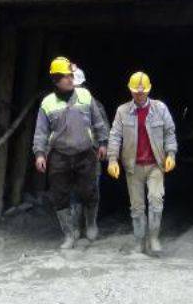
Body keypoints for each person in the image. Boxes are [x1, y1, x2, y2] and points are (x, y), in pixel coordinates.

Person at [33, 57, 108, 249]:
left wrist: (103, 143)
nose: (69, 79)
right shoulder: (47, 103)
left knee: (89, 191)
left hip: (85, 153)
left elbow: (99, 122)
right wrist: (40, 154)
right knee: (60, 195)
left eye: (70, 76)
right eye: (65, 77)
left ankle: (91, 223)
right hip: (59, 156)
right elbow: (41, 132)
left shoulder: (85, 96)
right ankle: (68, 235)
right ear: (56, 80)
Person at [107, 71, 177, 256]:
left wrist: (171, 153)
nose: (139, 94)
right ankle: (139, 241)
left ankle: (153, 238)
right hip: (133, 166)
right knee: (137, 206)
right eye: (135, 92)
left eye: (142, 91)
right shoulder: (122, 111)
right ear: (130, 91)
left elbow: (169, 132)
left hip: (155, 164)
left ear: (148, 90)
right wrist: (112, 159)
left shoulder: (160, 108)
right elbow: (115, 136)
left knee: (156, 200)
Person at [69, 64, 108, 239]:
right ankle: (76, 227)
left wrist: (101, 145)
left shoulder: (95, 105)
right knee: (73, 192)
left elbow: (103, 129)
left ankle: (91, 225)